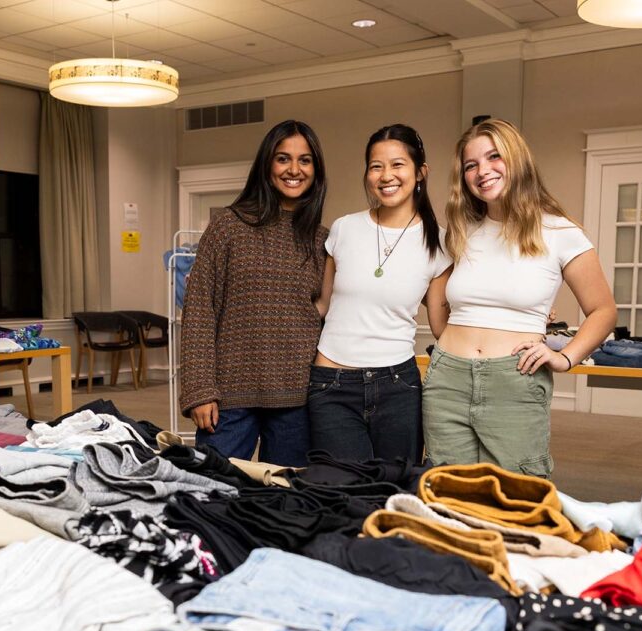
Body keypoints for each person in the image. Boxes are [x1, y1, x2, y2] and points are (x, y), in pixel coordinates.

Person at [422, 119, 616, 477]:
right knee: (447, 492)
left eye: (494, 157)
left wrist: (565, 358)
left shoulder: (559, 231)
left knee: (516, 496)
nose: (483, 171)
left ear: (518, 160)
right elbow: (438, 301)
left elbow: (603, 310)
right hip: (447, 379)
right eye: (471, 165)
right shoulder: (460, 234)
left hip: (515, 380)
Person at [178, 120, 328, 467]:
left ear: (315, 171)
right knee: (211, 491)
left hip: (297, 398)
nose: (294, 169)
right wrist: (200, 390)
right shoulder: (228, 226)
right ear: (267, 165)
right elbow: (200, 309)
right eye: (283, 159)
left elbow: (326, 316)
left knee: (285, 497)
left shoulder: (321, 239)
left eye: (305, 160)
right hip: (228, 398)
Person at [311, 124, 451, 463]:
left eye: (398, 164)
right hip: (332, 384)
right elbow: (322, 307)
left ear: (421, 172)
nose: (386, 175)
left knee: (393, 493)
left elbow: (442, 326)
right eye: (376, 166)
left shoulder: (439, 243)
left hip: (397, 387)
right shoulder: (344, 228)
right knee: (341, 493)